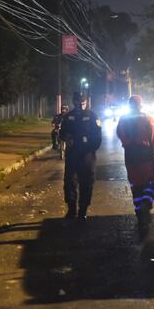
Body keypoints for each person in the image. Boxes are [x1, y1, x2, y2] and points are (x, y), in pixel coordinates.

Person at [116, 95, 154, 238]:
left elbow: (120, 134)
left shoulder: (123, 119)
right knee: (151, 181)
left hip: (130, 156)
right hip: (145, 154)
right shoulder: (147, 118)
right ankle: (146, 204)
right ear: (140, 105)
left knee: (135, 185)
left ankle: (140, 214)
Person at [59, 92, 103, 222]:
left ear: (86, 102)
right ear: (74, 101)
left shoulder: (92, 116)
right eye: (78, 101)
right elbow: (62, 133)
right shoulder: (68, 117)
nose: (80, 104)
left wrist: (91, 148)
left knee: (87, 183)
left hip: (87, 155)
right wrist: (67, 138)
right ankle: (72, 209)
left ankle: (83, 210)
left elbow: (98, 135)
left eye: (82, 102)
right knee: (69, 183)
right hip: (72, 154)